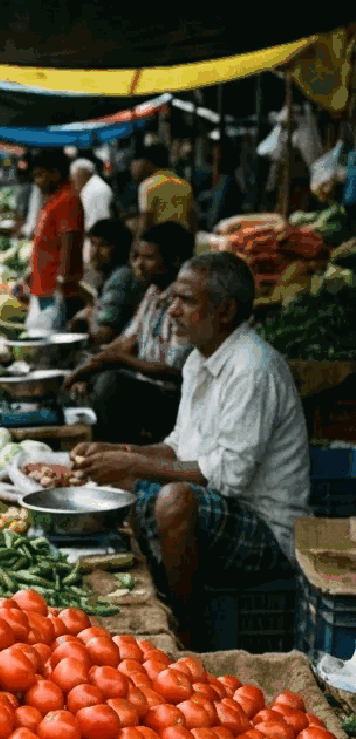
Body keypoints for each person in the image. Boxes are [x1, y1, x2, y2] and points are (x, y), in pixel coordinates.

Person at [75, 251, 310, 642]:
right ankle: (155, 595)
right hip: (227, 507)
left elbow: (229, 478)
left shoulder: (252, 369)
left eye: (186, 300)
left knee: (175, 500)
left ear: (224, 311)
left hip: (267, 529)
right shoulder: (199, 361)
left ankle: (187, 630)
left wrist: (130, 462)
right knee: (124, 482)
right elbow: (177, 447)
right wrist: (119, 454)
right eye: (173, 299)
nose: (172, 310)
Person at [65, 222, 195, 445]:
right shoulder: (153, 293)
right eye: (136, 257)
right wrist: (87, 368)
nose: (138, 265)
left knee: (110, 382)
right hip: (144, 385)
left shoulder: (182, 303)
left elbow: (174, 373)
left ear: (174, 260)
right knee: (88, 363)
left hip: (173, 399)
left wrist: (115, 361)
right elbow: (126, 341)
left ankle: (122, 450)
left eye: (148, 258)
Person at [26, 150, 85, 333]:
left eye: (41, 175)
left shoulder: (68, 199)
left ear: (56, 173)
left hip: (54, 288)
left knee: (50, 337)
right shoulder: (53, 199)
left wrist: (62, 281)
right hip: (43, 284)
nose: (37, 182)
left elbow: (69, 242)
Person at [80, 218, 144, 343]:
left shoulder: (121, 277)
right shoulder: (112, 276)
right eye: (93, 244)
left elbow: (105, 335)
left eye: (103, 245)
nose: (95, 252)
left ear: (119, 249)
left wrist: (88, 317)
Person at [135, 143, 197, 233]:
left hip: (159, 241)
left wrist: (137, 242)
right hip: (183, 240)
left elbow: (145, 221)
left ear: (148, 163)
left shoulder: (148, 185)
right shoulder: (184, 184)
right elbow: (192, 219)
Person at [206, 140, 246, 232]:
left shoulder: (224, 183)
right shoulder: (235, 180)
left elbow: (215, 214)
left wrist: (210, 228)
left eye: (215, 161)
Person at [71, 157, 114, 232]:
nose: (74, 183)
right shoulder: (91, 186)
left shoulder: (94, 189)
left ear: (83, 173)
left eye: (75, 177)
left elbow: (98, 222)